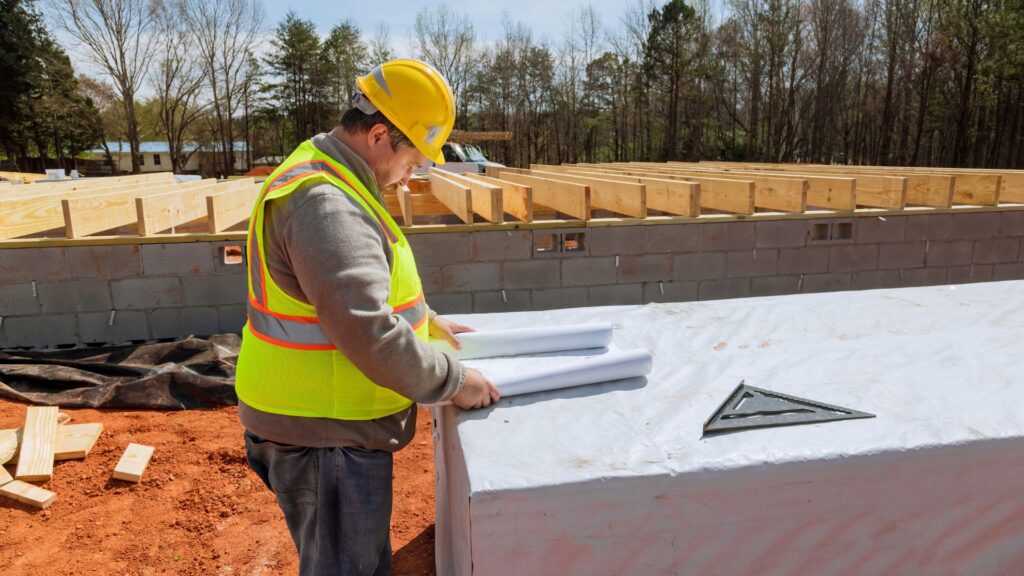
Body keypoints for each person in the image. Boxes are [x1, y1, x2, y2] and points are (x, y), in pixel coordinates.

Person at [235, 59, 501, 576]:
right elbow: (367, 331)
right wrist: (453, 380)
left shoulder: (330, 172)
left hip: (321, 424)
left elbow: (353, 294)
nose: (416, 170)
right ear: (380, 134)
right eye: (414, 156)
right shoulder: (326, 204)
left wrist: (425, 320)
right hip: (324, 433)